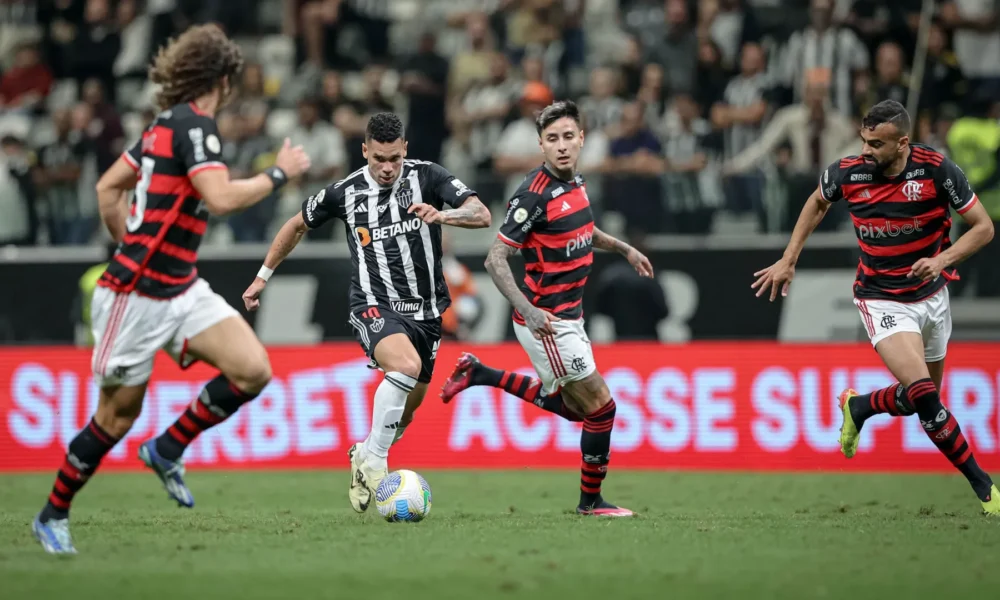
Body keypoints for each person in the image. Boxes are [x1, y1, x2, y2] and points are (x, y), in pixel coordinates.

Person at [32, 24, 312, 555]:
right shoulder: (194, 127)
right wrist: (279, 173)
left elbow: (108, 186)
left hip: (180, 289)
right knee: (115, 419)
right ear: (223, 78)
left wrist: (128, 238)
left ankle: (167, 448)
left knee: (253, 370)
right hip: (134, 298)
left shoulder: (164, 126)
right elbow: (222, 197)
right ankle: (52, 514)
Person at [751, 99, 999, 515]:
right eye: (864, 140)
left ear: (902, 143)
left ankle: (859, 405)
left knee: (922, 398)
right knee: (925, 396)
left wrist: (941, 260)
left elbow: (984, 227)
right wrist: (789, 257)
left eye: (876, 144)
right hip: (881, 297)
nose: (866, 151)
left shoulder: (936, 169)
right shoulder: (849, 171)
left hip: (933, 296)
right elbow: (817, 202)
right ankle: (985, 489)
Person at [242, 112, 492, 513]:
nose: (388, 167)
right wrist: (262, 276)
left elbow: (481, 214)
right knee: (405, 366)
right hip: (374, 305)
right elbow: (294, 226)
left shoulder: (428, 177)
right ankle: (376, 464)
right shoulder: (344, 192)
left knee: (404, 415)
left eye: (394, 157)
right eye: (379, 158)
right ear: (365, 151)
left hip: (428, 312)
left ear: (405, 149)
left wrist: (443, 214)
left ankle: (365, 454)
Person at [439, 101, 654, 517]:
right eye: (552, 139)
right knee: (602, 408)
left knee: (578, 411)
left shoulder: (576, 184)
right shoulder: (531, 197)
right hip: (547, 321)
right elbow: (494, 259)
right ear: (540, 145)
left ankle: (480, 373)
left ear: (582, 140)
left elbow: (583, 229)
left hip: (571, 316)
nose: (561, 146)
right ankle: (590, 503)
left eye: (568, 137)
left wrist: (624, 248)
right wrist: (529, 311)